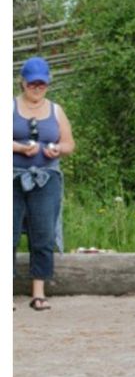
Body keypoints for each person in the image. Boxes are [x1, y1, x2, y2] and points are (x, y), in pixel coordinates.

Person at [13, 56, 75, 311]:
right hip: (12, 177)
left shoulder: (56, 110)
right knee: (8, 234)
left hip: (47, 178)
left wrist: (57, 149)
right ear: (22, 82)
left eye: (42, 83)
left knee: (43, 234)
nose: (37, 88)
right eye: (32, 83)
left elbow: (70, 144)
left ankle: (38, 292)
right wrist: (17, 147)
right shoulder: (8, 107)